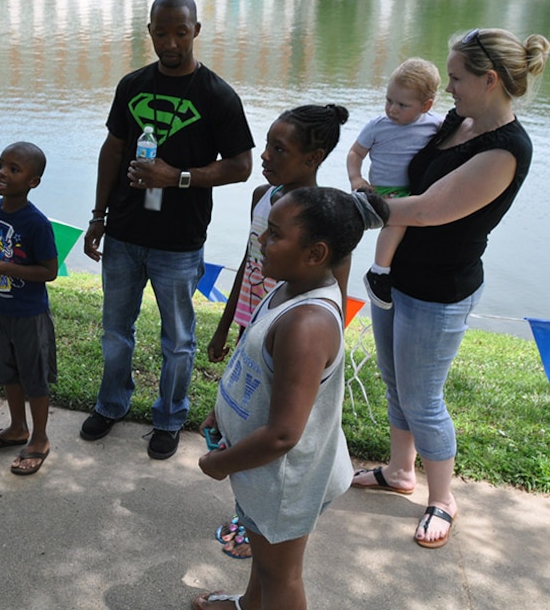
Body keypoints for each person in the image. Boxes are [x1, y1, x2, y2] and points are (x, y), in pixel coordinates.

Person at [350, 28, 549, 549]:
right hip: (396, 275)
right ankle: (399, 471)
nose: (450, 88)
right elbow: (406, 172)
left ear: (489, 80)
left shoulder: (506, 149)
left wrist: (351, 212)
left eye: (457, 78)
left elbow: (428, 209)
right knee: (396, 382)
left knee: (423, 397)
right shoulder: (455, 121)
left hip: (440, 290)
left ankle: (443, 499)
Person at [195, 187, 389, 610]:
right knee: (264, 558)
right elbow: (257, 370)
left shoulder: (306, 324)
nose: (261, 242)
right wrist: (222, 410)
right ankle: (249, 604)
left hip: (286, 480)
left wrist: (219, 463)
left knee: (280, 575)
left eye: (274, 235)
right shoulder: (289, 288)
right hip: (265, 473)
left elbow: (283, 434)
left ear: (316, 253)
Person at [81, 0, 254, 460]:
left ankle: (170, 416)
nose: (171, 41)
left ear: (196, 31)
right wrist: (98, 217)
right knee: (116, 330)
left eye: (181, 31)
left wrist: (175, 177)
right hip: (123, 234)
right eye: (161, 32)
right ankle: (112, 404)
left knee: (177, 340)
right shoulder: (132, 85)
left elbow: (241, 166)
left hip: (178, 242)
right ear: (151, 32)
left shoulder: (218, 96)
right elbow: (113, 150)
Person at [206, 103, 350, 560]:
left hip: (288, 343)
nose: (264, 155)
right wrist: (226, 325)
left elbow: (330, 315)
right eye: (266, 144)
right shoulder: (263, 200)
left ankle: (259, 525)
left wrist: (220, 463)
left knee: (274, 429)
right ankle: (249, 516)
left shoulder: (327, 224)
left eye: (278, 148)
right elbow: (249, 264)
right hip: (258, 326)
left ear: (314, 158)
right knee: (250, 417)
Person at [0, 142, 59, 476]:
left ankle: (40, 438)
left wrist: (2, 268)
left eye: (14, 169)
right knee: (7, 371)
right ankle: (17, 427)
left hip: (29, 315)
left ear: (33, 181)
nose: (2, 172)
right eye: (0, 164)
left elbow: (49, 272)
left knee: (35, 377)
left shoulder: (37, 224)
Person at [346, 58, 443, 308]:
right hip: (384, 191)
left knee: (411, 227)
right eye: (389, 100)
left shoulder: (436, 126)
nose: (392, 109)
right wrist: (357, 178)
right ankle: (379, 270)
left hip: (414, 190)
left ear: (426, 105)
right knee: (397, 223)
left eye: (402, 104)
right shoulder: (379, 126)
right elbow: (355, 153)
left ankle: (389, 268)